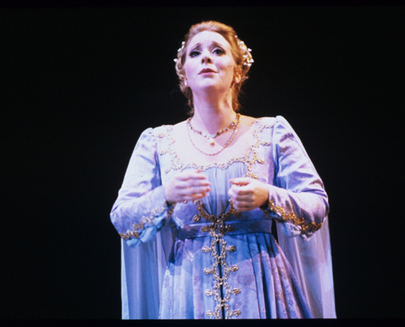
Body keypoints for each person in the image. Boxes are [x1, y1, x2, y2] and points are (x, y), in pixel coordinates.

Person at [110, 21, 335, 319]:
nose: (206, 58)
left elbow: (317, 205)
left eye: (218, 51)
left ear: (237, 72)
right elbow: (122, 218)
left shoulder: (272, 133)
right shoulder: (156, 142)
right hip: (188, 295)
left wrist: (268, 196)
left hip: (262, 288)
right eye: (195, 53)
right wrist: (165, 195)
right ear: (184, 77)